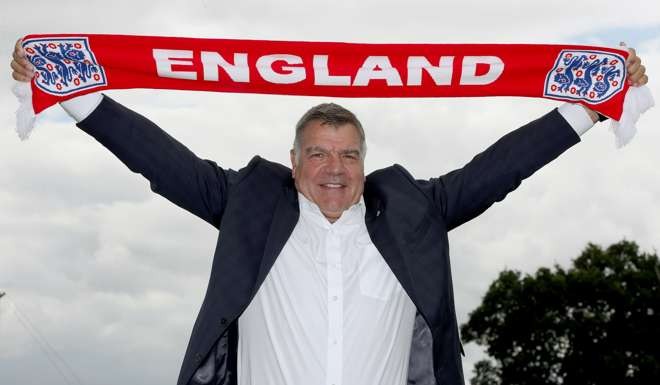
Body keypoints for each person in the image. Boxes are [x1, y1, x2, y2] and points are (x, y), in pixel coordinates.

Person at [11, 39, 648, 385]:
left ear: (365, 163)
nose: (333, 168)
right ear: (293, 162)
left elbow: (501, 167)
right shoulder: (247, 206)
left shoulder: (414, 210)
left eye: (346, 154)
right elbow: (161, 159)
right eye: (317, 153)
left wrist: (590, 106)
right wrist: (72, 93)